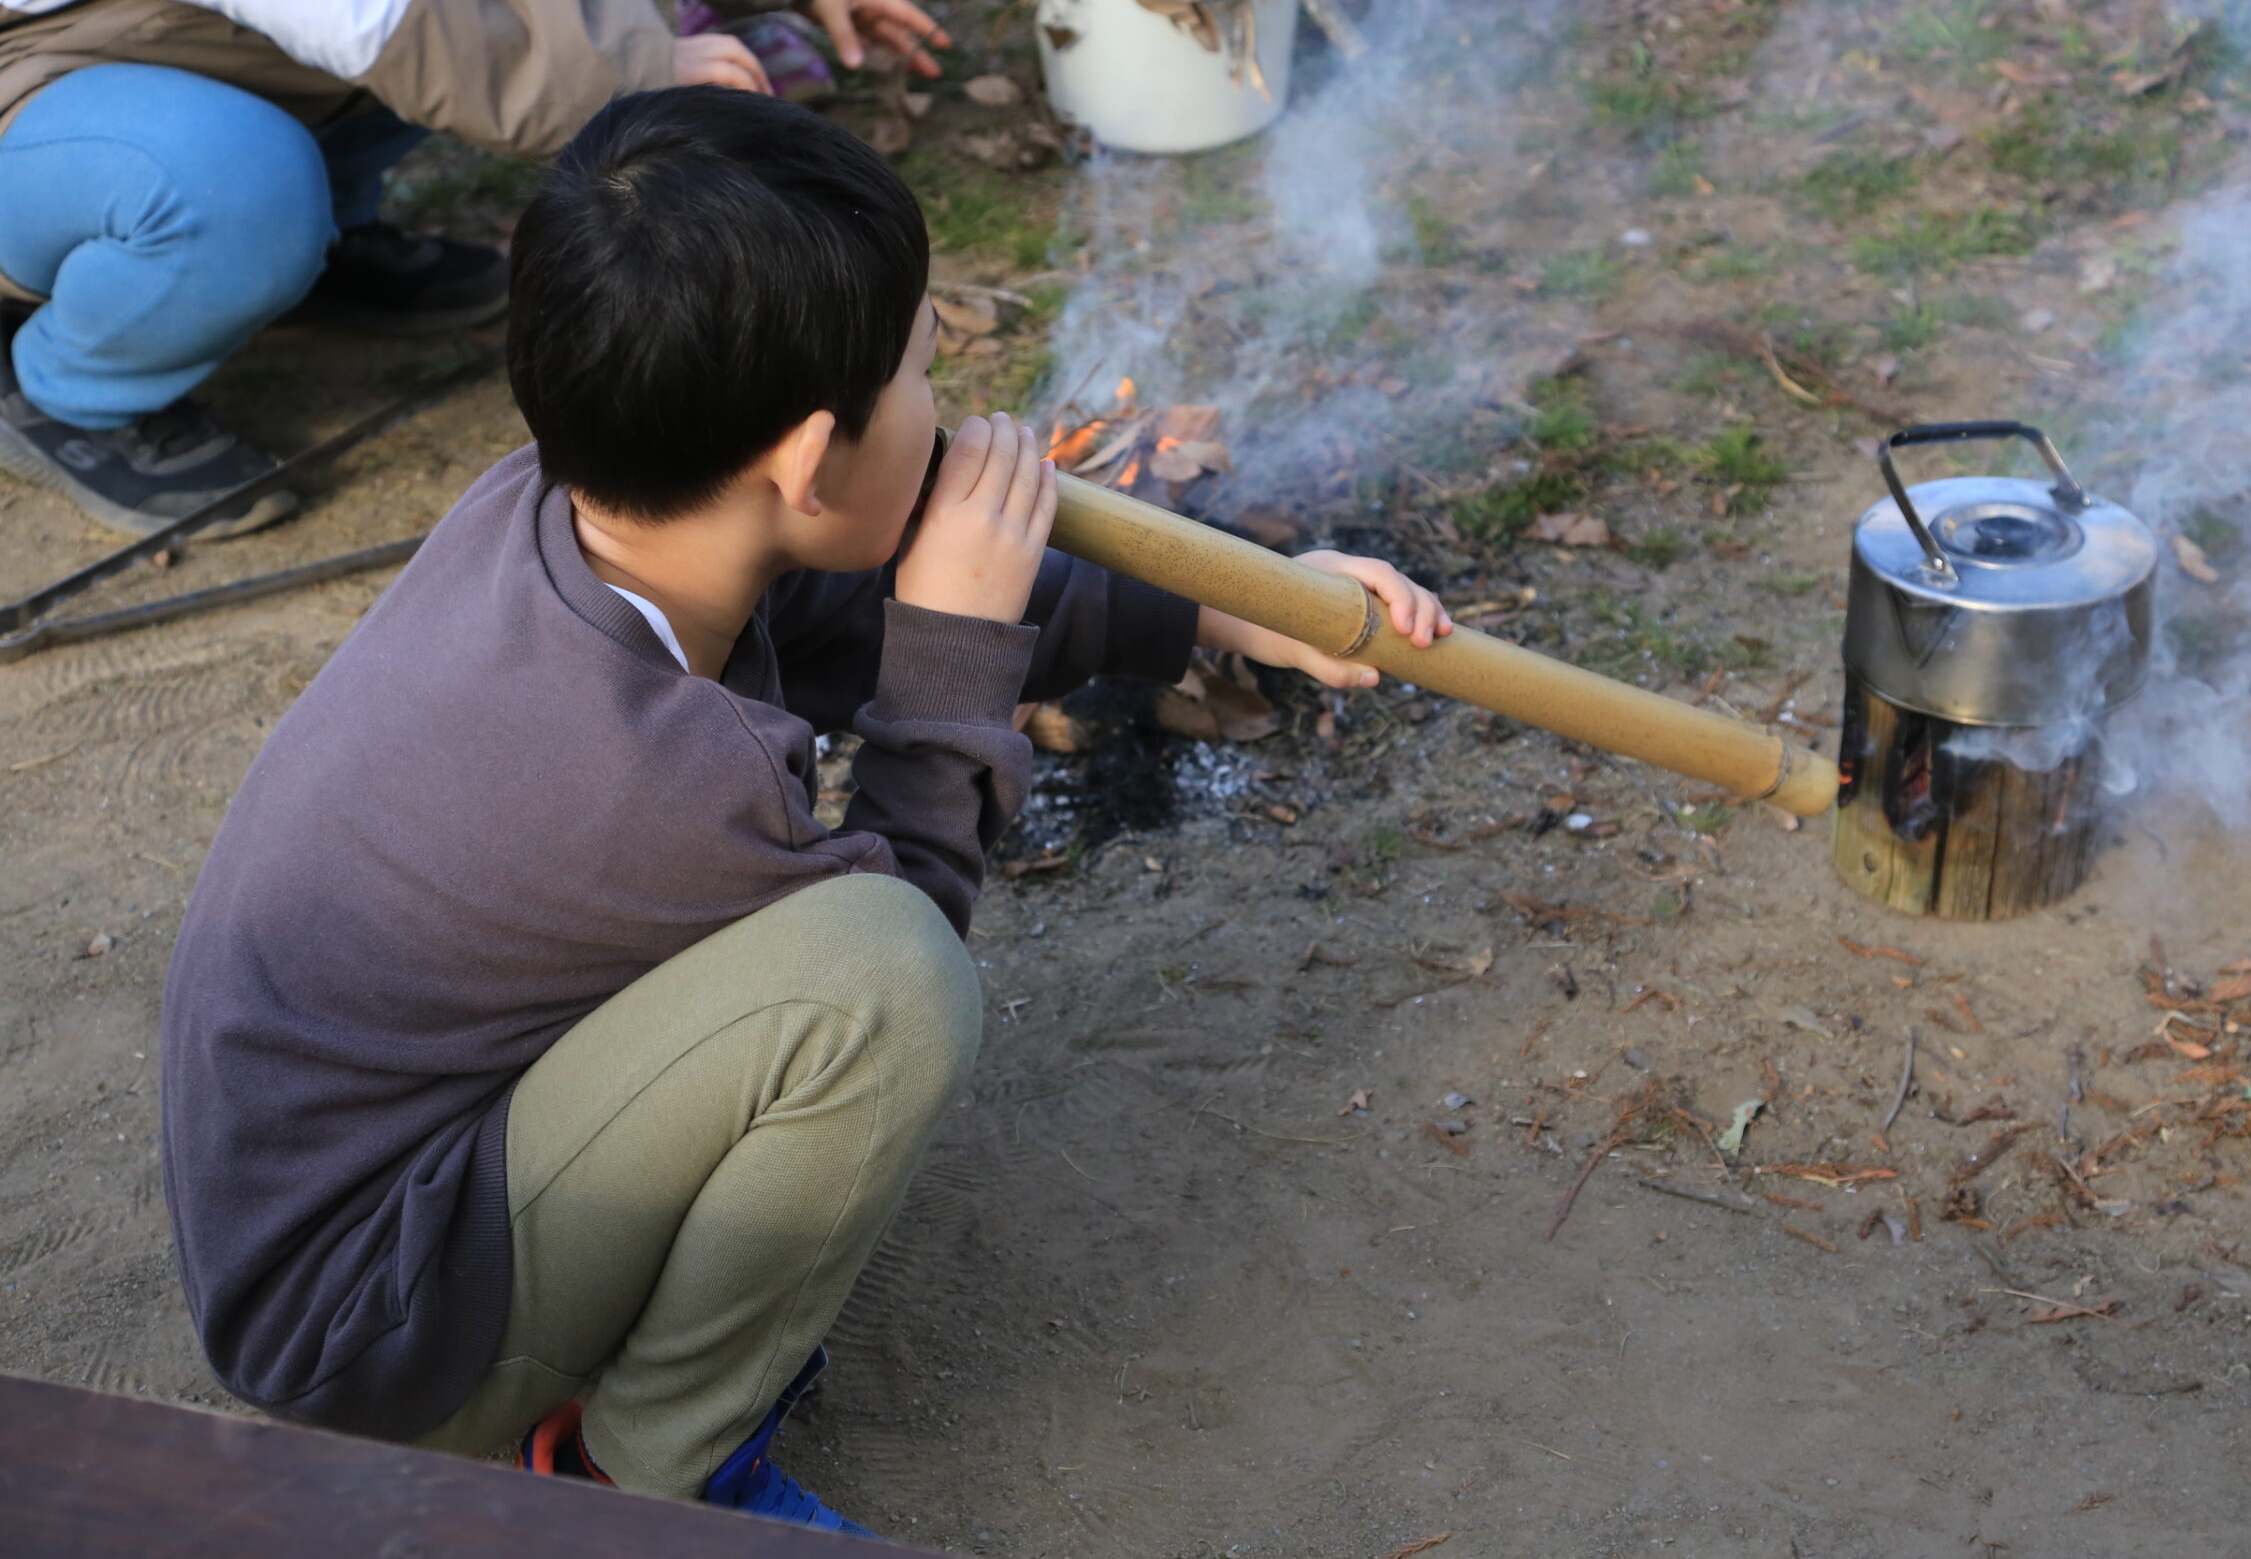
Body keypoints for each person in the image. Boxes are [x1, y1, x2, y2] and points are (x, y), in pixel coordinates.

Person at [156, 86, 1455, 1533]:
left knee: (848, 966)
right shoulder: (648, 782)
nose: (948, 406)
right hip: (368, 1332)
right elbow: (907, 923)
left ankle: (608, 1353)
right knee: (878, 987)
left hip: (375, 1184)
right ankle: (638, 1474)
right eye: (918, 373)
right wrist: (959, 646)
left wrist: (1233, 605)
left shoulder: (569, 514)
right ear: (802, 459)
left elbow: (828, 605)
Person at [0, 0, 947, 538]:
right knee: (234, 188)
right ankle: (76, 385)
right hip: (37, 53)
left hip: (183, 3)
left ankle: (323, 234)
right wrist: (621, 62)